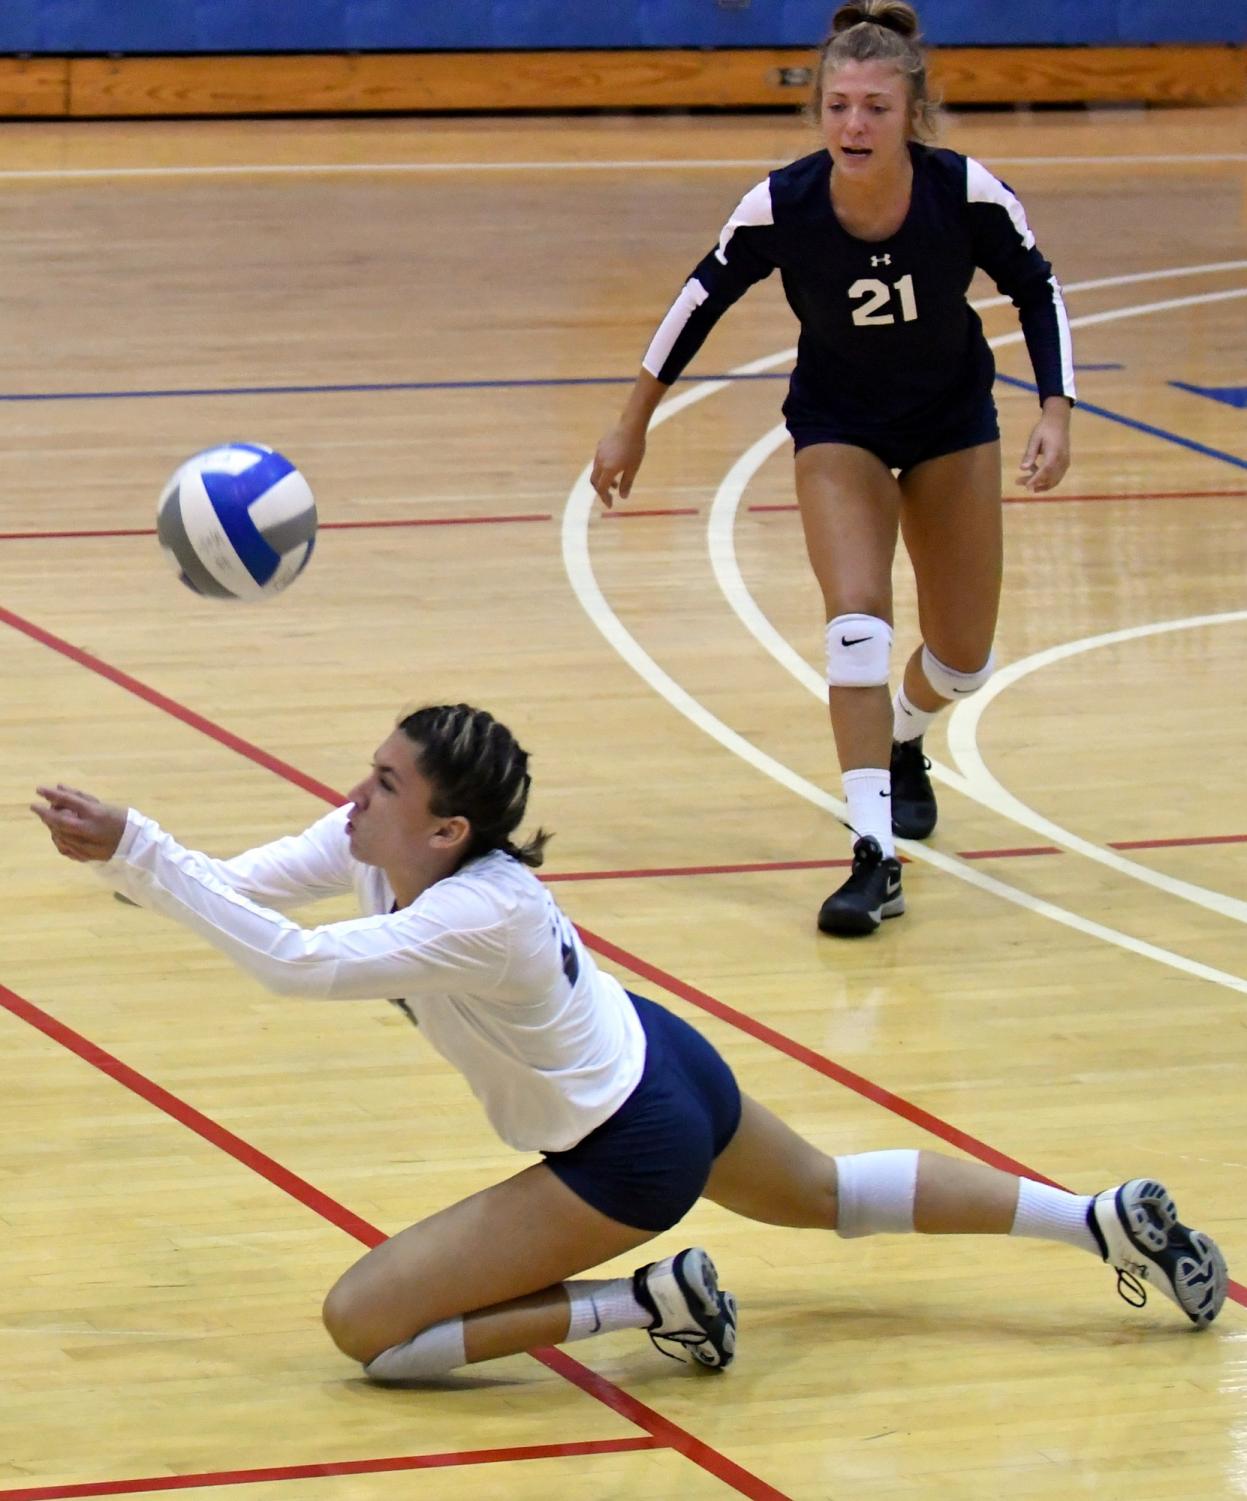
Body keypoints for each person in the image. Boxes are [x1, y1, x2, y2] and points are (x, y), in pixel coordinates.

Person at [31, 702, 1226, 1382]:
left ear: (447, 828)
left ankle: (644, 1301)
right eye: (371, 767)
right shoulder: (373, 845)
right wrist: (136, 862)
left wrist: (143, 851)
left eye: (385, 783)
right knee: (828, 1192)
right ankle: (1095, 1215)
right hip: (663, 1059)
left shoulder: (475, 911)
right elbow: (241, 889)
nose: (357, 793)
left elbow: (291, 964)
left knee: (369, 1331)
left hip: (623, 1147)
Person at [591, 0, 1076, 937]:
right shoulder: (782, 203)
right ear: (819, 111)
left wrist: (1055, 409)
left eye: (874, 109)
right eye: (837, 106)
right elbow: (698, 300)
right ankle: (872, 853)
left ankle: (904, 736)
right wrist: (631, 423)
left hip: (949, 424)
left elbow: (1037, 286)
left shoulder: (965, 193)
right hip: (839, 424)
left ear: (912, 116)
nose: (853, 125)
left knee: (962, 659)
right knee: (855, 623)